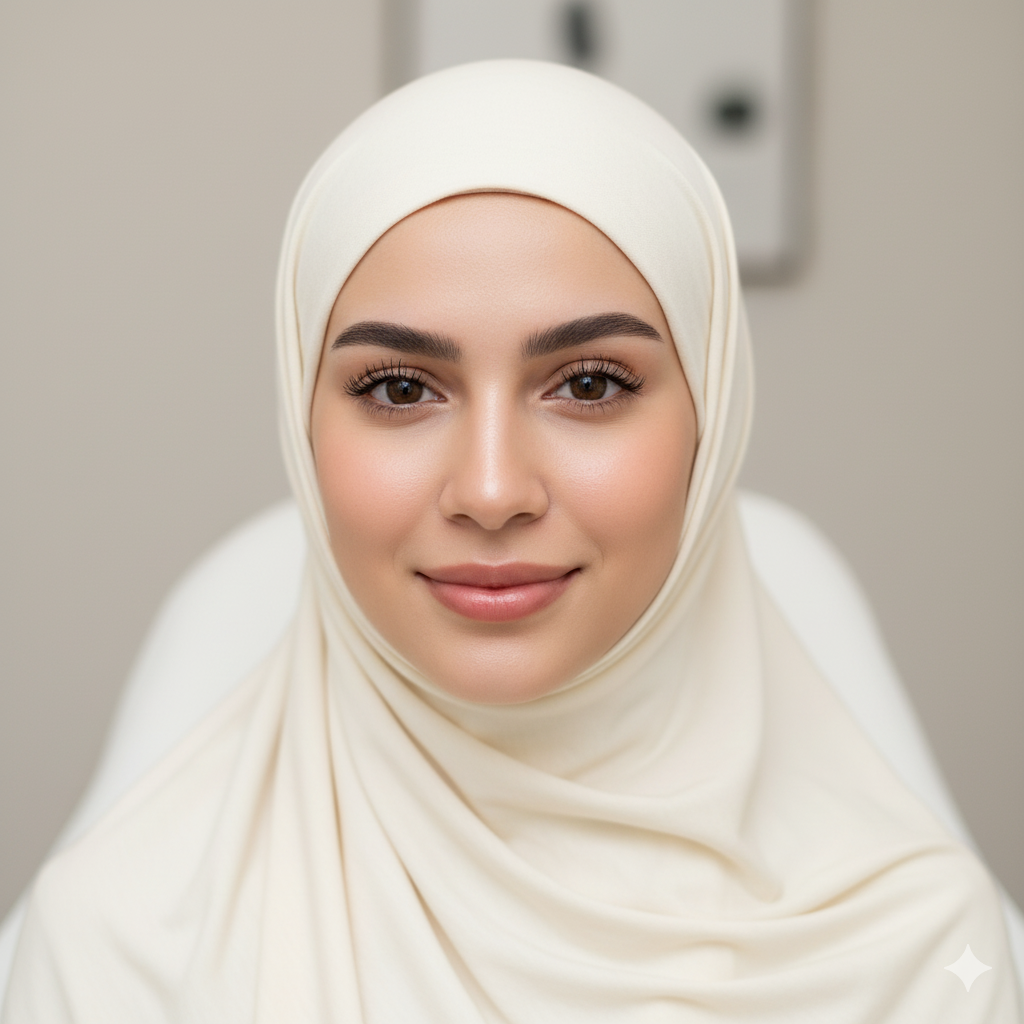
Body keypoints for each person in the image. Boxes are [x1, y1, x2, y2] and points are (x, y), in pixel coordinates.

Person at [1, 60, 1019, 1023]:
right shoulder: (115, 954)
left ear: (713, 423)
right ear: (300, 423)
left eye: (588, 384)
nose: (491, 491)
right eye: (398, 389)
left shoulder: (921, 960)